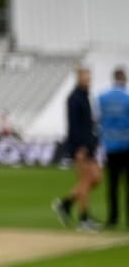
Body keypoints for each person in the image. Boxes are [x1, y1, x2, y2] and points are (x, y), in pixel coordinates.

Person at [56, 65, 104, 230]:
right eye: (85, 77)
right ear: (79, 78)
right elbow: (74, 126)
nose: (88, 80)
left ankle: (66, 203)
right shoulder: (74, 98)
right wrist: (80, 148)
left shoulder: (85, 96)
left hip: (88, 146)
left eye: (89, 77)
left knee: (96, 178)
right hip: (80, 147)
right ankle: (83, 218)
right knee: (85, 181)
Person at [101, 66, 129, 228]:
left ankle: (113, 218)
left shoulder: (103, 98)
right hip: (126, 146)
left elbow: (100, 119)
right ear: (124, 79)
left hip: (110, 146)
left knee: (112, 185)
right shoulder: (127, 98)